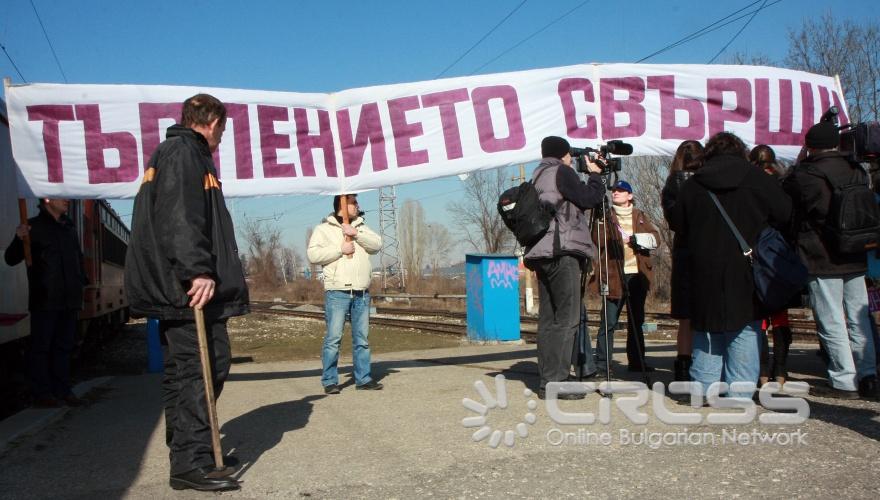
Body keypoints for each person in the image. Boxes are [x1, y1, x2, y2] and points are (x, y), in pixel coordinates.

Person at [125, 94, 248, 492]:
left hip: (174, 285)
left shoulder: (175, 152)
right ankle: (189, 460)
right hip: (187, 287)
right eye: (223, 130)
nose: (221, 139)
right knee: (202, 367)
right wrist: (197, 270)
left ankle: (191, 449)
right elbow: (180, 214)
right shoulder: (183, 153)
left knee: (187, 371)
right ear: (212, 122)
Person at [669, 132, 791, 399]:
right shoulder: (757, 179)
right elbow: (784, 212)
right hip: (748, 266)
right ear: (741, 151)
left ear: (709, 153)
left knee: (707, 330)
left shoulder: (694, 184)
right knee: (745, 330)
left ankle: (703, 391)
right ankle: (739, 396)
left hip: (703, 267)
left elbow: (678, 222)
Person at [783, 121, 879, 400]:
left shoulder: (806, 173)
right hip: (856, 253)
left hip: (822, 256)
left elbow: (786, 194)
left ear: (809, 146)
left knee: (832, 319)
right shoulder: (856, 170)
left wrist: (797, 164)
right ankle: (869, 375)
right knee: (859, 318)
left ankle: (844, 380)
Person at [523, 136, 605, 399]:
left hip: (542, 253)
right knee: (568, 319)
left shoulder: (538, 174)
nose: (572, 158)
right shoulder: (562, 171)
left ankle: (548, 379)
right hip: (562, 251)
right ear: (564, 154)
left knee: (549, 320)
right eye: (570, 154)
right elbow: (588, 198)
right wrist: (596, 176)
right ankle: (556, 381)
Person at [5, 198, 85, 408]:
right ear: (48, 200)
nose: (67, 200)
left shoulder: (69, 228)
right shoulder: (32, 227)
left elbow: (78, 258)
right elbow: (11, 259)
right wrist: (18, 239)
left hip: (69, 299)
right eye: (61, 197)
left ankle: (63, 390)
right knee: (41, 348)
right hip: (45, 298)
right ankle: (42, 393)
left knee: (64, 347)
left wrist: (80, 283)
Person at [307, 193, 383, 394]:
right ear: (342, 204)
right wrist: (339, 249)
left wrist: (356, 234)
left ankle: (363, 378)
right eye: (353, 202)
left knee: (362, 339)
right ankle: (330, 380)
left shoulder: (361, 227)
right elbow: (313, 255)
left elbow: (377, 245)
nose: (357, 205)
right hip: (337, 292)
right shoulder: (324, 229)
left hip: (361, 292)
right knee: (333, 339)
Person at [591, 180, 660, 374]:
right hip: (613, 276)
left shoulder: (639, 216)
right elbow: (596, 241)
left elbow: (657, 238)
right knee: (609, 322)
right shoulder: (606, 216)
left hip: (637, 276)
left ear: (630, 196)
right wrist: (601, 220)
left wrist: (638, 240)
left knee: (636, 321)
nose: (616, 193)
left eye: (621, 190)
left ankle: (637, 362)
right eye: (614, 191)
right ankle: (603, 365)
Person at [749, 144, 794, 387]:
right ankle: (781, 369)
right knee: (780, 315)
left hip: (755, 249)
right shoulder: (783, 182)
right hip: (779, 252)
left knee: (760, 315)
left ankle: (763, 370)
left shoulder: (747, 183)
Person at [661, 140, 704, 381]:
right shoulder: (708, 180)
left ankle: (683, 367)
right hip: (707, 249)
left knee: (685, 318)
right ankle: (705, 363)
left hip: (683, 250)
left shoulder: (672, 182)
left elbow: (674, 221)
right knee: (706, 313)